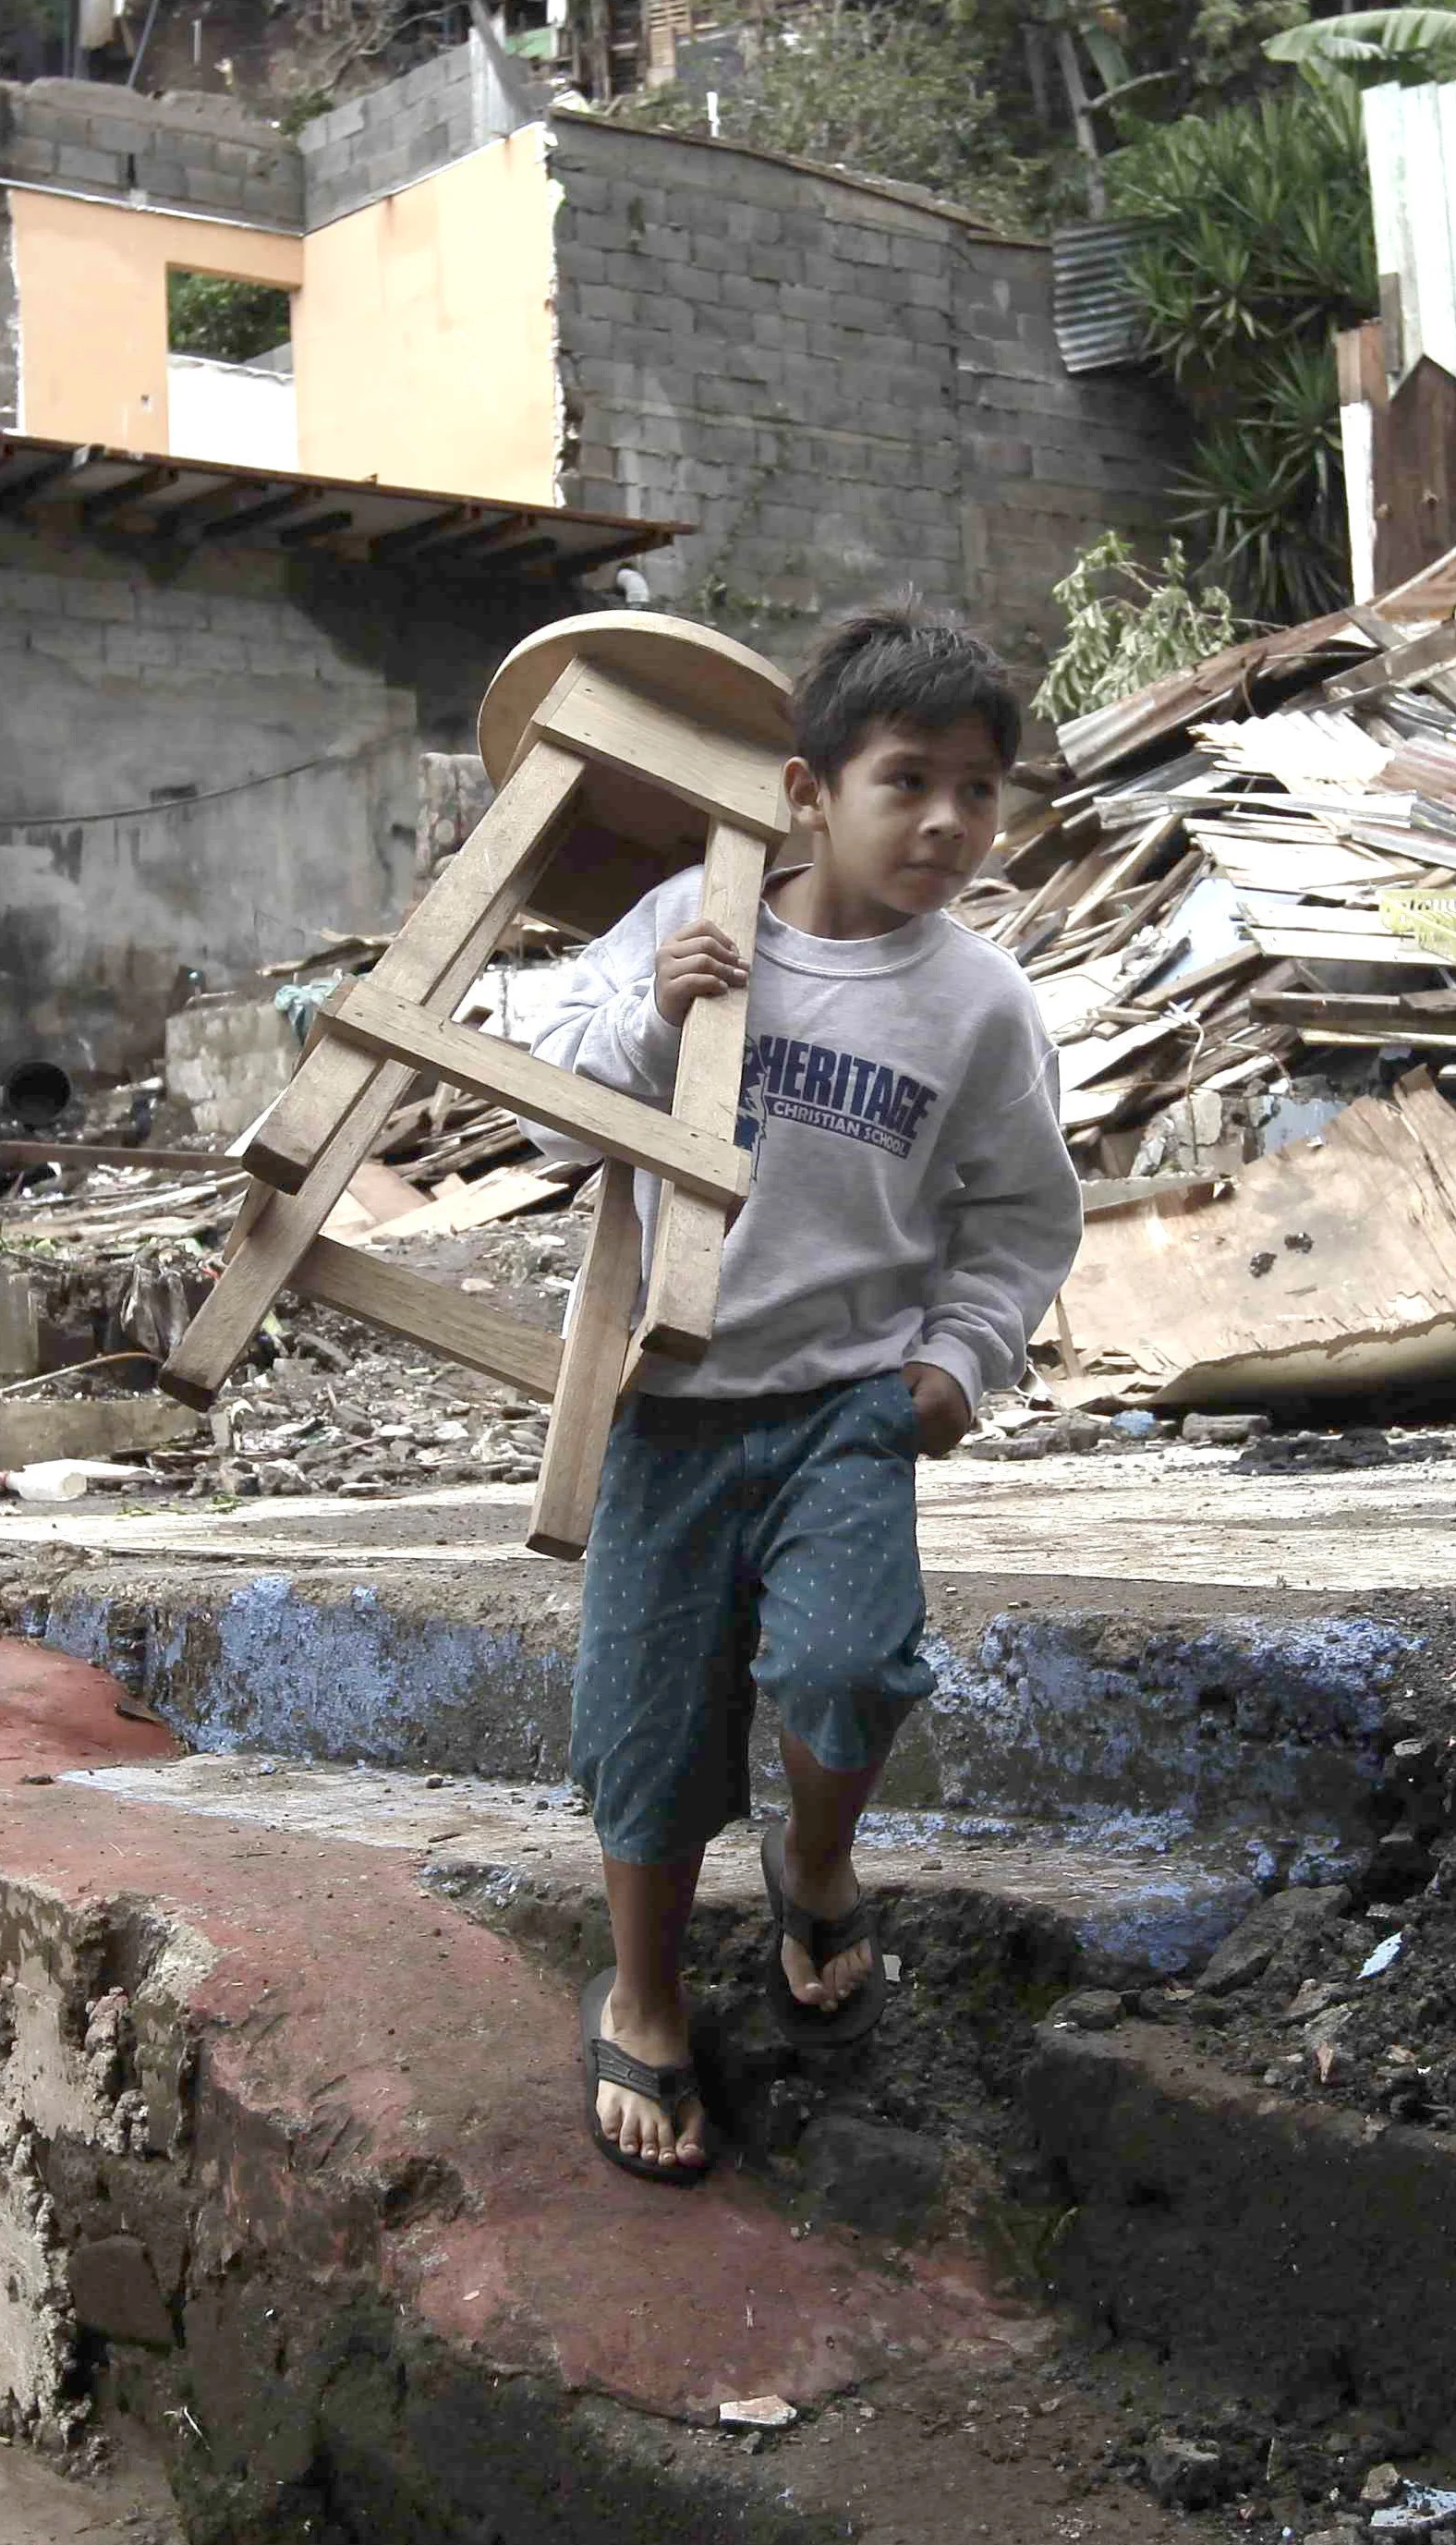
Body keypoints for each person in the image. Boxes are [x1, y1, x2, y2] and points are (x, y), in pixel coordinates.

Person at [525, 600, 1085, 2183]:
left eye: (979, 789)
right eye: (906, 779)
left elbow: (1022, 1211)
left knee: (847, 1665)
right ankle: (642, 1988)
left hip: (850, 1397)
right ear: (805, 792)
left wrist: (961, 1356)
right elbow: (548, 1109)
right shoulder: (687, 920)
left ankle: (816, 1855)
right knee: (643, 1724)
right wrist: (650, 1012)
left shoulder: (978, 1002)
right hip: (668, 1396)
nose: (947, 821)